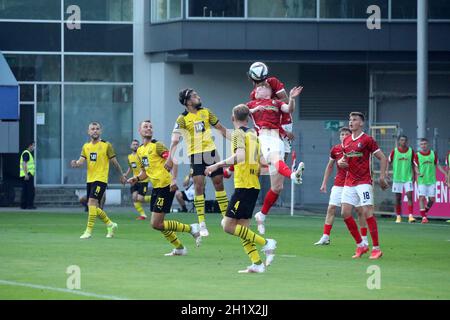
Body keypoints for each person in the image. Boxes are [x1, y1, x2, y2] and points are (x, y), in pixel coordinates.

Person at [205, 104, 276, 273]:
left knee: (227, 226)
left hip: (244, 186)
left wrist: (217, 165)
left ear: (233, 118)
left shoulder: (238, 133)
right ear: (248, 118)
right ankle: (257, 263)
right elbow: (261, 165)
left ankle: (266, 243)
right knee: (243, 229)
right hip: (253, 186)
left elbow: (240, 156)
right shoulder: (253, 134)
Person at [128, 120, 201, 256]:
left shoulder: (158, 146)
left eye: (150, 126)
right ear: (140, 130)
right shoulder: (140, 150)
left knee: (156, 223)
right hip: (156, 187)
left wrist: (174, 179)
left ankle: (191, 228)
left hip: (166, 186)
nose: (148, 128)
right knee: (158, 224)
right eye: (145, 127)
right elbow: (145, 172)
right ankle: (179, 248)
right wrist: (136, 178)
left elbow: (173, 160)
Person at [165, 88, 229, 237]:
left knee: (219, 183)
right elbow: (175, 139)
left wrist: (237, 141)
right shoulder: (182, 119)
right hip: (196, 155)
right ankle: (202, 223)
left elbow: (221, 129)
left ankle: (226, 218)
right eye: (195, 96)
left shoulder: (206, 112)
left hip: (211, 152)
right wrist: (169, 158)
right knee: (199, 187)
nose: (198, 97)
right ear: (187, 102)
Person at [248, 82, 305, 235]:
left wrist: (292, 98)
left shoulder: (276, 102)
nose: (260, 88)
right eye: (258, 88)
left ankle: (261, 215)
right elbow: (238, 112)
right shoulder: (252, 103)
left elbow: (289, 109)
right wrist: (253, 109)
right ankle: (294, 175)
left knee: (277, 187)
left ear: (269, 91)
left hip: (278, 139)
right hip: (265, 137)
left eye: (263, 86)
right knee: (275, 159)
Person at [338, 112, 388, 259]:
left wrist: (382, 176)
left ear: (361, 123)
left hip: (364, 182)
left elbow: (383, 157)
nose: (351, 122)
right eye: (350, 120)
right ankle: (361, 245)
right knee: (345, 213)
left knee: (367, 212)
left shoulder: (367, 140)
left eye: (354, 120)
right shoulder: (346, 140)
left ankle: (376, 248)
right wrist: (341, 162)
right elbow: (344, 159)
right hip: (349, 181)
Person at [71, 122, 126, 239]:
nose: (95, 131)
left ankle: (88, 231)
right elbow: (81, 161)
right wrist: (75, 163)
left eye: (97, 129)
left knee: (91, 202)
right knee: (94, 208)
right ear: (88, 131)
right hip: (90, 179)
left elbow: (114, 162)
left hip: (101, 179)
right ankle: (110, 224)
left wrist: (121, 175)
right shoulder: (86, 146)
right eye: (92, 129)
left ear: (100, 131)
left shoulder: (106, 145)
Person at [315, 127, 368, 246]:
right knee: (331, 208)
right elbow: (329, 166)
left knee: (360, 210)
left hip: (355, 183)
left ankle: (364, 238)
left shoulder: (357, 148)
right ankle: (325, 236)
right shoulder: (336, 149)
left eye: (346, 134)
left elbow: (363, 165)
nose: (344, 136)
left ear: (351, 136)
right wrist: (324, 183)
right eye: (342, 134)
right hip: (339, 183)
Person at [413, 138, 448, 224]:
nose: (423, 145)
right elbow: (416, 166)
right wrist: (418, 173)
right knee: (421, 198)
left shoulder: (433, 154)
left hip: (431, 180)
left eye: (425, 144)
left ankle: (424, 211)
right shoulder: (417, 155)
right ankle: (424, 217)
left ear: (427, 144)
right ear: (420, 145)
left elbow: (437, 165)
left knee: (432, 199)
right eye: (422, 144)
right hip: (422, 180)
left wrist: (445, 173)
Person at [387, 135, 416, 223]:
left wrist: (414, 176)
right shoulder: (394, 151)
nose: (403, 142)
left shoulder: (411, 151)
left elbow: (414, 164)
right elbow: (388, 161)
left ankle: (410, 216)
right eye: (401, 140)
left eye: (405, 140)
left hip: (408, 178)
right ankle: (398, 216)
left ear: (407, 141)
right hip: (397, 178)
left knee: (409, 196)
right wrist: (387, 172)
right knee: (397, 198)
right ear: (399, 141)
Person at [123, 139, 151, 220]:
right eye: (133, 144)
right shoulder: (129, 157)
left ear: (139, 146)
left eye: (136, 144)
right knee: (134, 197)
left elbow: (146, 167)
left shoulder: (141, 155)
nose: (135, 146)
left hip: (143, 179)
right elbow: (130, 167)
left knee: (140, 198)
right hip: (134, 180)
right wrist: (126, 175)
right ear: (131, 146)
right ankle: (143, 215)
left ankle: (154, 198)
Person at [20, 141, 36, 210]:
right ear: (30, 146)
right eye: (33, 145)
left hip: (26, 174)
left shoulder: (26, 153)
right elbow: (24, 163)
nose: (34, 147)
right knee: (30, 190)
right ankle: (29, 205)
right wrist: (26, 174)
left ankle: (24, 205)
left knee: (25, 190)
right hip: (27, 175)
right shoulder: (26, 153)